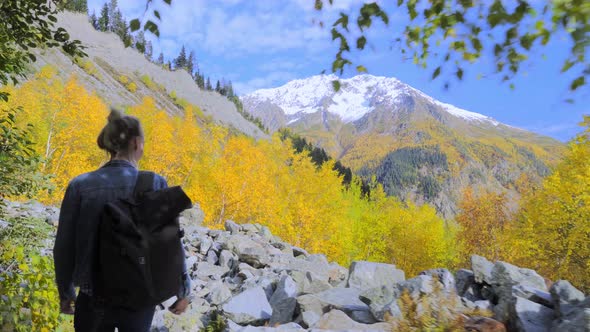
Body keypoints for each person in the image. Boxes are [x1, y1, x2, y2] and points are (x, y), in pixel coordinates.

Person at [53, 108, 191, 331]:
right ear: (137, 143)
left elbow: (64, 246)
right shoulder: (155, 182)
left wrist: (65, 291)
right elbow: (171, 244)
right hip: (140, 297)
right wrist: (183, 291)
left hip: (93, 296)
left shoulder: (80, 185)